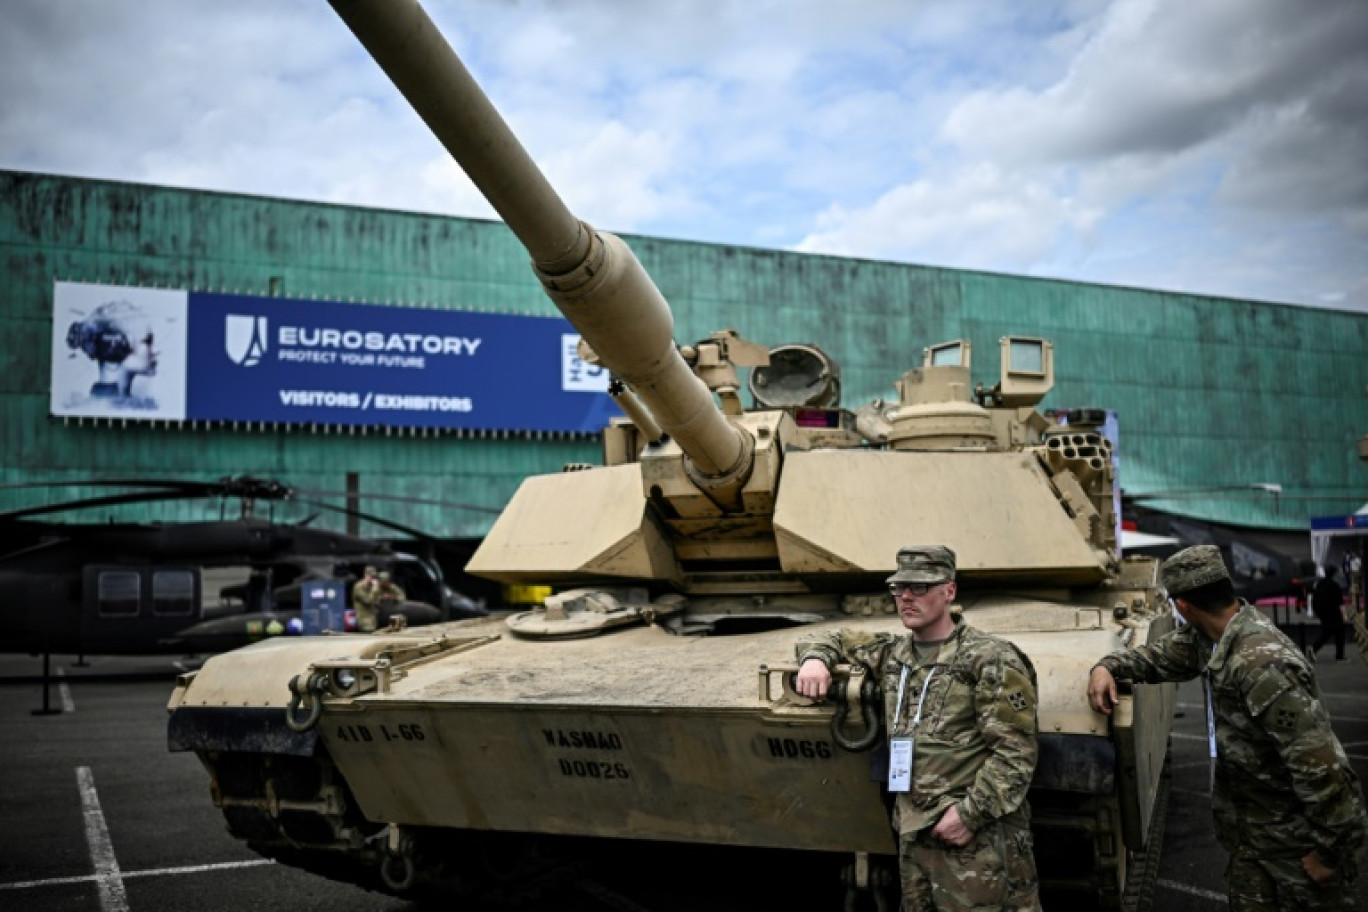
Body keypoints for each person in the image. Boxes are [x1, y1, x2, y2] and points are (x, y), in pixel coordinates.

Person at [1088, 544, 1366, 910]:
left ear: (1184, 607)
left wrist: (1329, 855)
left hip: (1295, 853)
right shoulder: (1216, 637)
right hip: (1254, 845)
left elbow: (1323, 770)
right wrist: (1107, 666)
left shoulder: (1262, 664)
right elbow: (1159, 656)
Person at [795, 545, 1041, 911]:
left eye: (920, 587)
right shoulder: (896, 654)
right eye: (899, 588)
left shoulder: (990, 659)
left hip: (977, 836)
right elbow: (834, 638)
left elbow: (1016, 754)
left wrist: (969, 815)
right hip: (914, 829)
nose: (907, 597)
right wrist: (815, 660)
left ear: (949, 591)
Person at [1309, 565, 1347, 663]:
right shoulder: (1335, 585)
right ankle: (1340, 656)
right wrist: (1344, 616)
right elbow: (1340, 603)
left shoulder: (1320, 583)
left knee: (1326, 633)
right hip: (1334, 613)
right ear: (1334, 574)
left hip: (1323, 613)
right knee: (1340, 633)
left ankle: (1313, 649)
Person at [352, 565, 381, 632]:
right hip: (363, 620)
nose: (373, 579)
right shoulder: (359, 587)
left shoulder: (371, 587)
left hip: (372, 619)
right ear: (365, 575)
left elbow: (377, 602)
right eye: (371, 577)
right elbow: (367, 600)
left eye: (374, 577)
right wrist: (374, 589)